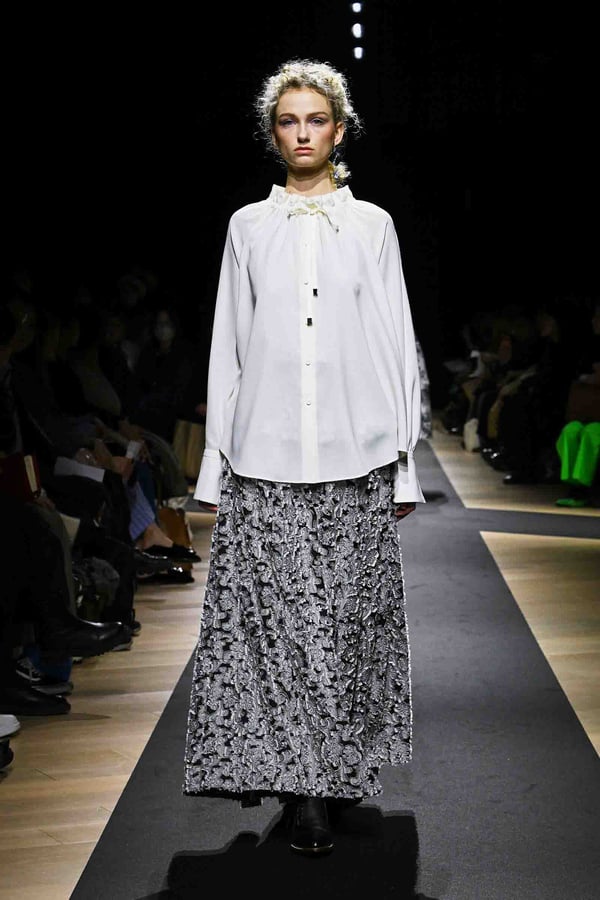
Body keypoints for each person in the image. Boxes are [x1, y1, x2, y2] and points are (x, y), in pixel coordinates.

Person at [182, 58, 425, 857]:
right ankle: (304, 792)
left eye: (316, 120)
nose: (302, 133)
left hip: (356, 457)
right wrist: (214, 468)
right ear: (273, 133)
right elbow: (229, 347)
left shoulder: (374, 226)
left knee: (346, 629)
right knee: (281, 632)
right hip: (266, 460)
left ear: (339, 130)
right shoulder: (247, 227)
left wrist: (404, 464)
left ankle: (334, 771)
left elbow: (395, 343)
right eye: (288, 121)